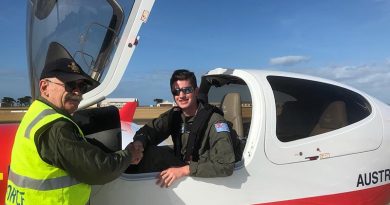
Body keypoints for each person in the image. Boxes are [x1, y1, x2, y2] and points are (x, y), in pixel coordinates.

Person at [5, 42, 143, 205]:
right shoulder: (56, 127)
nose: (77, 92)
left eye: (82, 86)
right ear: (44, 87)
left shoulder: (37, 113)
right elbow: (99, 170)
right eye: (70, 85)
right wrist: (128, 155)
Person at [131, 69, 235, 188]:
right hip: (184, 164)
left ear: (196, 91)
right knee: (149, 153)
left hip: (203, 176)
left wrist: (184, 170)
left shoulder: (215, 121)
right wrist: (139, 143)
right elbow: (150, 130)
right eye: (176, 91)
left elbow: (226, 165)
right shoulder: (174, 115)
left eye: (187, 90)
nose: (181, 96)